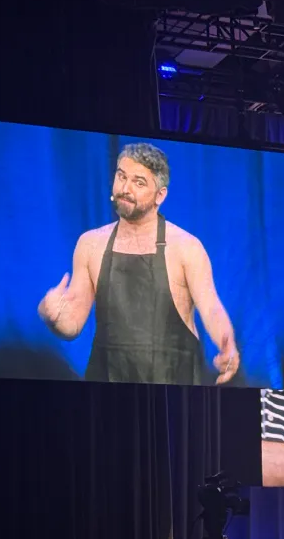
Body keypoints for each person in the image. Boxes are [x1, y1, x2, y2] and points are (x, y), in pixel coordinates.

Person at [37, 143, 238, 385]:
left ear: (160, 195)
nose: (125, 188)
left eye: (138, 182)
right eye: (121, 177)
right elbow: (73, 325)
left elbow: (211, 306)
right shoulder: (90, 244)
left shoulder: (186, 247)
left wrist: (226, 342)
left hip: (173, 387)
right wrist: (53, 316)